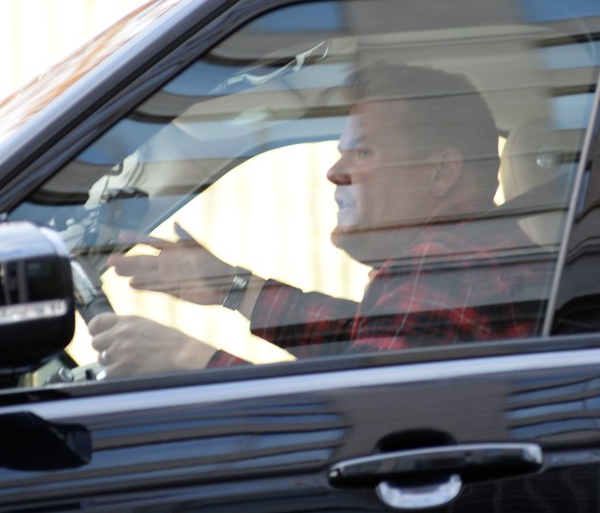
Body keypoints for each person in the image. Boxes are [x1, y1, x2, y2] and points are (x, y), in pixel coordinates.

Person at [88, 62, 545, 377]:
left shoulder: (442, 263)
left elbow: (349, 419)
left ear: (441, 171)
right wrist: (233, 288)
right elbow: (370, 336)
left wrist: (186, 356)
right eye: (341, 153)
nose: (335, 172)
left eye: (363, 152)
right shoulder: (480, 254)